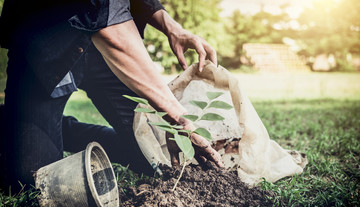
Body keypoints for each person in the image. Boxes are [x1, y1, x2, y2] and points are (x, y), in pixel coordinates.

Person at [0, 0, 224, 191]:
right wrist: (178, 118)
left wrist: (171, 26)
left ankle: (50, 128)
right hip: (47, 41)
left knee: (154, 156)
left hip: (101, 52)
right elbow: (104, 20)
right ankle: (13, 121)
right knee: (32, 179)